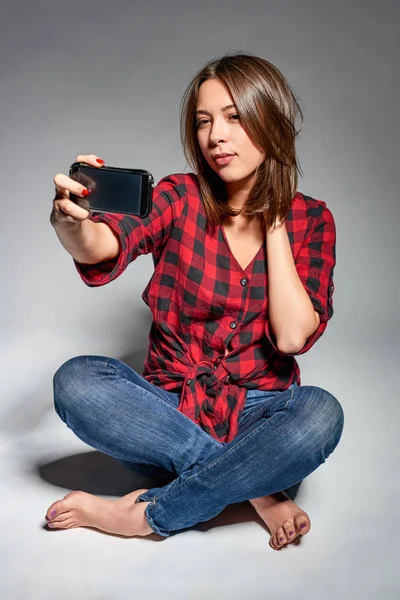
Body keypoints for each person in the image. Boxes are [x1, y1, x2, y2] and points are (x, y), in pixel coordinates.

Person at [45, 52, 344, 550]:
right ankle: (259, 493)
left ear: (269, 120)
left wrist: (274, 219)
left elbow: (292, 337)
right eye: (203, 121)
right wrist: (72, 224)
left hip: (260, 417)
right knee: (76, 380)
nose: (215, 136)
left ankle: (148, 515)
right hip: (165, 417)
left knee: (321, 414)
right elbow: (106, 244)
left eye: (233, 116)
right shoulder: (179, 196)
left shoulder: (312, 220)